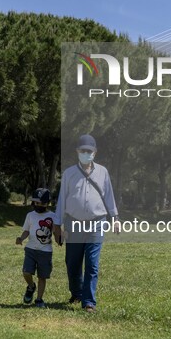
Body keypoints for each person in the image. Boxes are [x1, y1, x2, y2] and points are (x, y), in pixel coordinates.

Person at [53, 134, 120, 313]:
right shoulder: (69, 173)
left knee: (92, 263)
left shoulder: (103, 172)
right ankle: (77, 293)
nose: (86, 153)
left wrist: (115, 217)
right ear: (77, 152)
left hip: (97, 222)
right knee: (72, 262)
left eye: (89, 151)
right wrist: (57, 225)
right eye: (83, 150)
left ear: (95, 153)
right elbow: (62, 200)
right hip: (73, 223)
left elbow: (109, 195)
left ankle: (89, 302)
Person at [15, 188, 57, 308]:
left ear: (47, 203)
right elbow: (26, 230)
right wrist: (21, 239)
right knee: (26, 272)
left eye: (42, 203)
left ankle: (39, 299)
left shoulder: (52, 216)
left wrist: (61, 238)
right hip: (31, 249)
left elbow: (56, 231)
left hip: (45, 251)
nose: (39, 206)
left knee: (42, 277)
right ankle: (31, 286)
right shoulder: (30, 215)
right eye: (36, 203)